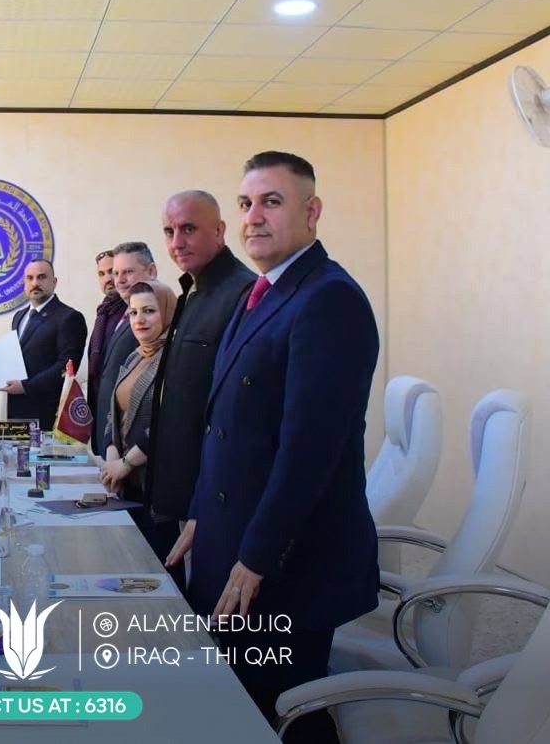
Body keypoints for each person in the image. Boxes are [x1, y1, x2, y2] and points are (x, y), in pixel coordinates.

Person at [167, 152, 380, 744]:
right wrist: (199, 512)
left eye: (272, 201)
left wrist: (257, 557)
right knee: (233, 703)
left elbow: (308, 452)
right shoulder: (261, 293)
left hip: (284, 565)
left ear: (311, 212)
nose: (253, 217)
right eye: (245, 203)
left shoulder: (329, 299)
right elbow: (225, 423)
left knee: (282, 711)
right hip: (231, 535)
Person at [147, 191, 256, 565]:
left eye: (189, 229)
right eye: (169, 231)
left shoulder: (241, 293)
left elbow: (237, 416)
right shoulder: (193, 291)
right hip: (179, 492)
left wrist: (205, 502)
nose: (177, 242)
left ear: (220, 231)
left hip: (211, 501)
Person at [99, 280, 179, 578]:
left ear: (168, 312)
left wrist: (127, 462)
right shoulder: (136, 355)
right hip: (125, 481)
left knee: (159, 571)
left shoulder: (176, 359)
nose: (139, 319)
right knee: (128, 567)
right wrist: (111, 454)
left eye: (149, 311)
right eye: (133, 312)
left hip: (154, 484)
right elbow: (114, 412)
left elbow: (169, 420)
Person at [1, 259, 88, 430]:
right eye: (30, 278)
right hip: (16, 413)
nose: (35, 283)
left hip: (48, 414)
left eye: (41, 277)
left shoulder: (69, 317)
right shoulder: (19, 317)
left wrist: (26, 387)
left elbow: (66, 367)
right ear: (24, 283)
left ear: (54, 282)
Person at [94, 242, 159, 464]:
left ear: (151, 271)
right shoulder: (118, 317)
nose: (118, 280)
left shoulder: (161, 322)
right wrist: (111, 444)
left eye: (128, 272)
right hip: (114, 442)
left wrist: (127, 462)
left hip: (141, 453)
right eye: (116, 273)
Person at [86, 249, 124, 453]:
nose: (108, 278)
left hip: (121, 419)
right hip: (100, 412)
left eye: (112, 271)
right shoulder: (103, 312)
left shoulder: (131, 312)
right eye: (102, 274)